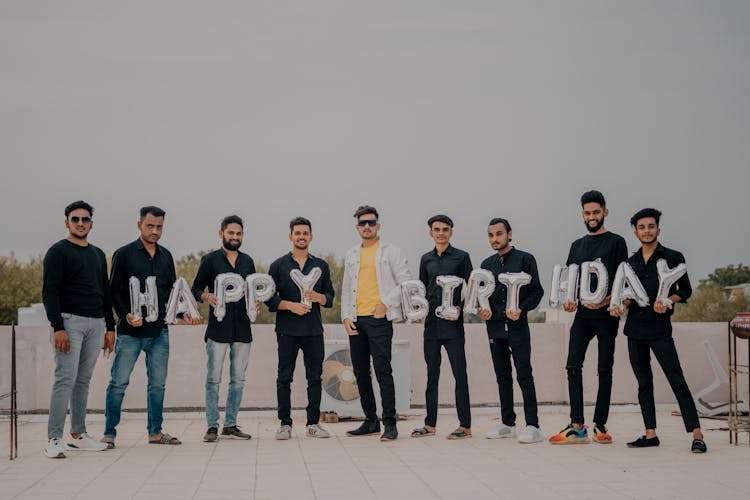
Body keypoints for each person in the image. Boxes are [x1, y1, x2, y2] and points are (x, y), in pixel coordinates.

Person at [610, 208, 706, 453]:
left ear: (658, 229)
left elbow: (685, 291)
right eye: (642, 227)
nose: (647, 231)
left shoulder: (673, 257)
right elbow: (629, 295)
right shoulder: (629, 263)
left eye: (651, 226)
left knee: (677, 380)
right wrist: (621, 305)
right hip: (634, 331)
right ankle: (650, 433)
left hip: (660, 329)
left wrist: (668, 301)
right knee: (644, 383)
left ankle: (697, 435)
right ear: (635, 232)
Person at [102, 206, 197, 449]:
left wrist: (182, 313)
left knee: (157, 385)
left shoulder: (166, 256)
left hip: (159, 333)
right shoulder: (123, 254)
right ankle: (109, 433)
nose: (155, 231)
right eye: (150, 226)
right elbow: (114, 291)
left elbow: (169, 294)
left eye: (159, 227)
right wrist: (125, 315)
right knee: (118, 383)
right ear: (139, 225)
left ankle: (155, 433)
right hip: (130, 334)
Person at [550, 190, 628, 445]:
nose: (592, 216)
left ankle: (600, 424)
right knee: (573, 365)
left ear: (605, 212)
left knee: (604, 368)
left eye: (596, 212)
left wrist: (609, 302)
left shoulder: (616, 242)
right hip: (582, 315)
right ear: (582, 215)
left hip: (606, 315)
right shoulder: (577, 245)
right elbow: (571, 282)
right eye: (587, 213)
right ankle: (577, 424)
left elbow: (623, 279)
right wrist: (571, 301)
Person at [42, 200, 115, 458]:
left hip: (96, 323)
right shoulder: (58, 252)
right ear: (67, 222)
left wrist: (110, 327)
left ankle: (78, 434)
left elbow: (105, 292)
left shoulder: (97, 254)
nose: (80, 223)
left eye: (85, 219)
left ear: (91, 224)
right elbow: (49, 292)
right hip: (69, 322)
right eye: (75, 219)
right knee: (65, 378)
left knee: (83, 380)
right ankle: (53, 438)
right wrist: (58, 327)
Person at [341, 205, 412, 441]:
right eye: (363, 223)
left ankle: (389, 423)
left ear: (378, 226)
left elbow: (405, 282)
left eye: (371, 223)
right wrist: (345, 317)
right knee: (361, 372)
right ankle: (370, 420)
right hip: (356, 320)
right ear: (357, 227)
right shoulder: (351, 253)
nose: (367, 227)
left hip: (379, 319)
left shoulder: (391, 251)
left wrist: (385, 304)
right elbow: (346, 288)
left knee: (383, 370)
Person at [266, 217, 336, 440]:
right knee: (284, 377)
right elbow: (268, 298)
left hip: (314, 331)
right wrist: (289, 306)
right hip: (287, 330)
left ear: (311, 236)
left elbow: (331, 296)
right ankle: (285, 424)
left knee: (315, 378)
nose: (301, 236)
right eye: (297, 233)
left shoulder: (321, 266)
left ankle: (313, 423)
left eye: (305, 233)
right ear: (291, 236)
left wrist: (320, 297)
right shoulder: (278, 265)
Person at [478, 218, 544, 444]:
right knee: (502, 377)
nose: (494, 239)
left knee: (524, 374)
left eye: (498, 234)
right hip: (494, 327)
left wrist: (521, 309)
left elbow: (537, 292)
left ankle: (533, 426)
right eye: (490, 235)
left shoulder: (525, 259)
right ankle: (507, 423)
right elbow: (481, 296)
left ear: (509, 234)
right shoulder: (486, 265)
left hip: (517, 326)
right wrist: (482, 310)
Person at [192, 215, 256, 442]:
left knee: (238, 380)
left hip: (243, 330)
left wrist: (254, 301)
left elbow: (252, 290)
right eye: (231, 233)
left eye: (238, 234)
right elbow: (195, 289)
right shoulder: (209, 260)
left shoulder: (248, 261)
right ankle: (212, 426)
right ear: (221, 234)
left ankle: (230, 424)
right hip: (218, 329)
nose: (235, 237)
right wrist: (206, 296)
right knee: (213, 379)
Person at [411, 215, 473, 440]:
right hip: (431, 327)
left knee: (460, 375)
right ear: (431, 232)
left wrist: (460, 307)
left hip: (453, 327)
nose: (441, 233)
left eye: (445, 229)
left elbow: (473, 288)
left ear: (451, 232)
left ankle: (465, 426)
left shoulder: (462, 257)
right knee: (431, 376)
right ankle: (430, 425)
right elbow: (421, 290)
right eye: (436, 229)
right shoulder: (425, 259)